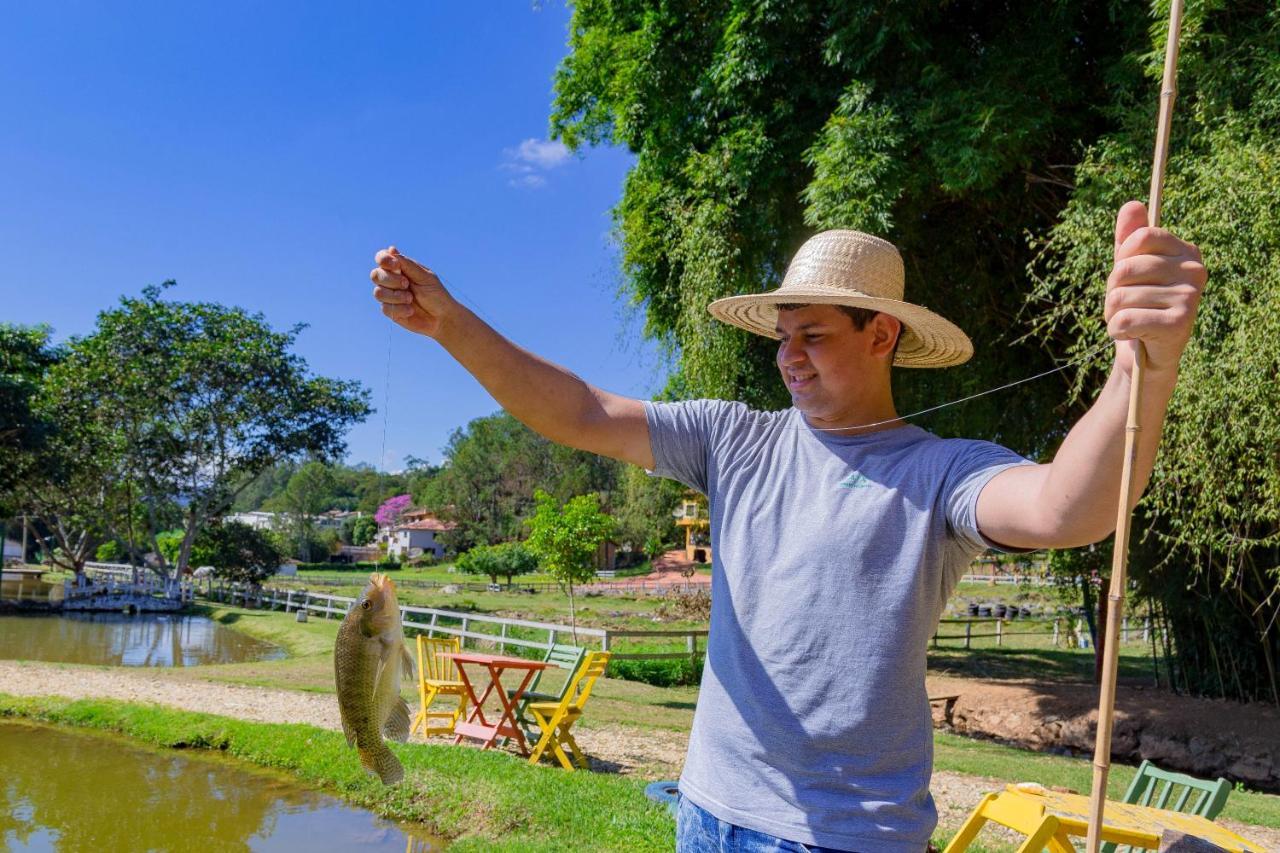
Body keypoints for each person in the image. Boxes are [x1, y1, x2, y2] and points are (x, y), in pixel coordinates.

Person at [370, 200, 1205, 852]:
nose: (787, 355)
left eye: (812, 334)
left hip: (844, 836)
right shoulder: (731, 439)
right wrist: (450, 323)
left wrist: (1144, 363)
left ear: (881, 335)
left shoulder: (942, 470)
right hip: (707, 810)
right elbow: (582, 410)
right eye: (781, 337)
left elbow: (1069, 505)